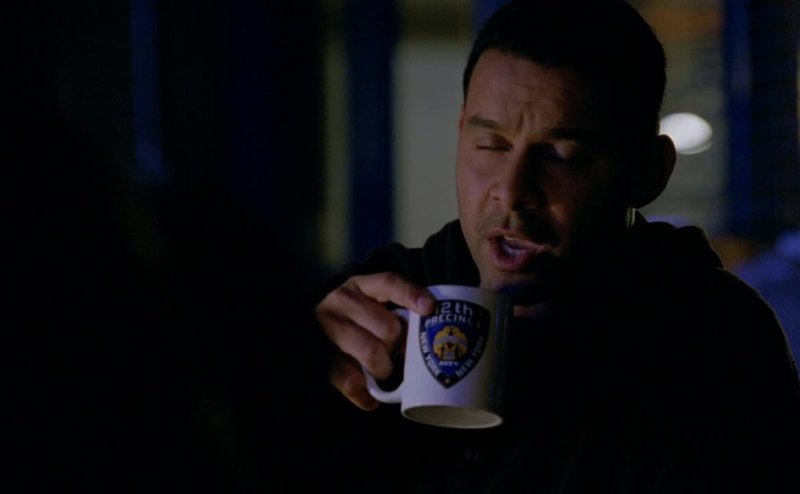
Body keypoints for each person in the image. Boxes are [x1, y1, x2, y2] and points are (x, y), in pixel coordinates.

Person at [312, 0, 800, 492]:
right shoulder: (375, 305)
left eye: (561, 156)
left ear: (648, 172)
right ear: (460, 134)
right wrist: (293, 365)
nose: (511, 190)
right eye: (491, 145)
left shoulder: (714, 345)